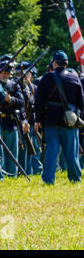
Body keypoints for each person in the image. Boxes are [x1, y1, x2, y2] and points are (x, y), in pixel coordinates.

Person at [34, 50, 83, 185]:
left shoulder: (46, 78)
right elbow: (81, 102)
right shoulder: (75, 78)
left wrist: (38, 119)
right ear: (66, 64)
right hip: (70, 121)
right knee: (71, 153)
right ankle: (75, 179)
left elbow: (39, 102)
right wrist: (76, 117)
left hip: (51, 121)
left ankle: (48, 180)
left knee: (51, 152)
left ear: (54, 63)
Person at [0, 60, 28, 177]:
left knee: (12, 151)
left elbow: (21, 102)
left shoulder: (13, 85)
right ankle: (0, 174)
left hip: (11, 122)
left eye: (8, 72)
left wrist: (10, 100)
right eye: (4, 72)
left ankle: (12, 175)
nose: (6, 75)